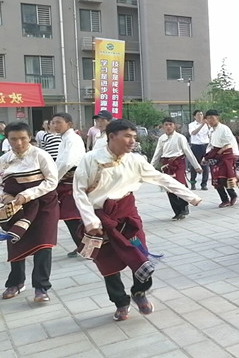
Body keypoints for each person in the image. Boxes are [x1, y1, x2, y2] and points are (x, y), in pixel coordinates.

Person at [73, 120, 201, 321]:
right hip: (100, 219)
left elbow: (160, 178)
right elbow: (79, 191)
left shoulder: (136, 160)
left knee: (140, 254)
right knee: (107, 263)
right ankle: (120, 302)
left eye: (134, 136)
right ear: (112, 136)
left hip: (127, 217)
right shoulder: (91, 159)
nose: (132, 141)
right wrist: (90, 221)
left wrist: (189, 196)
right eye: (127, 136)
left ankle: (139, 292)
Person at [0, 122, 59, 303]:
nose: (18, 143)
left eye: (23, 138)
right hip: (17, 207)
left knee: (43, 244)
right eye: (13, 139)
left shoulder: (40, 155)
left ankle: (41, 287)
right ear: (7, 139)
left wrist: (27, 195)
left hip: (44, 205)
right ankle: (16, 282)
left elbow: (51, 181)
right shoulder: (4, 159)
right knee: (15, 241)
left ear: (30, 137)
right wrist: (5, 197)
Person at [150, 117, 202, 221]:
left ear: (174, 126)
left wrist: (196, 166)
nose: (168, 127)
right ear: (163, 127)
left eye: (170, 124)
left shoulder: (180, 137)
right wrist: (150, 168)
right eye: (166, 125)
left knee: (180, 186)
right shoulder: (162, 139)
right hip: (166, 165)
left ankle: (184, 207)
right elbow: (157, 154)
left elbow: (188, 152)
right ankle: (177, 212)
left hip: (178, 164)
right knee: (169, 188)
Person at [50, 113, 86, 257]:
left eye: (59, 122)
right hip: (65, 181)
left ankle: (85, 247)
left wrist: (53, 180)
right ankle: (83, 246)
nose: (55, 125)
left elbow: (67, 163)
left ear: (69, 124)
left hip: (71, 181)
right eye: (53, 122)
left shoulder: (72, 139)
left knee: (72, 216)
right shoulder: (65, 139)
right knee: (72, 216)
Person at [203, 110, 239, 207]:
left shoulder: (224, 128)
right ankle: (224, 199)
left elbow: (229, 143)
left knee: (224, 177)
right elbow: (211, 145)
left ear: (217, 118)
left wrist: (220, 152)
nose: (210, 120)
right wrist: (207, 156)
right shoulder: (211, 131)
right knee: (216, 180)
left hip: (225, 155)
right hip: (216, 154)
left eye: (212, 118)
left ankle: (232, 195)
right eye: (208, 118)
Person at [188, 110, 211, 191]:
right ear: (194, 116)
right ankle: (193, 183)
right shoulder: (192, 125)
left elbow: (211, 133)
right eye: (198, 115)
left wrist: (208, 125)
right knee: (194, 165)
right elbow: (193, 133)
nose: (200, 116)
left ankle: (204, 184)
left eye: (201, 114)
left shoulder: (207, 124)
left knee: (205, 166)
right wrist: (202, 125)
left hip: (205, 146)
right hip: (196, 146)